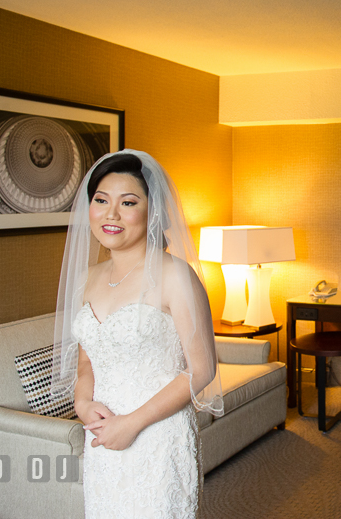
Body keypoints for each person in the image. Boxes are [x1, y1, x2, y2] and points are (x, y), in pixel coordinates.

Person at [51, 150, 223, 519]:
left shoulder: (175, 275)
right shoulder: (88, 279)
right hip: (103, 435)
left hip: (157, 434)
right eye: (101, 201)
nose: (111, 214)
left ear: (152, 210)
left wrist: (132, 424)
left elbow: (202, 370)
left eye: (128, 202)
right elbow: (86, 361)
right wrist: (82, 405)